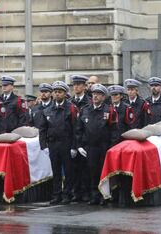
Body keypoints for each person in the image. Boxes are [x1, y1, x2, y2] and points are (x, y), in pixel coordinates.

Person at [76, 84, 118, 205]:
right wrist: (79, 145)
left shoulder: (109, 110)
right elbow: (79, 129)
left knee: (102, 172)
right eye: (94, 93)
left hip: (104, 146)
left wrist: (111, 147)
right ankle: (94, 195)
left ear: (103, 97)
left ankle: (103, 196)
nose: (95, 96)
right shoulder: (85, 110)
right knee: (91, 172)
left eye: (98, 94)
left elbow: (114, 131)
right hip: (90, 147)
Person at [39, 81, 78, 205]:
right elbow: (43, 129)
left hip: (66, 144)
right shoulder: (47, 109)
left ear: (65, 93)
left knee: (68, 171)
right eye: (55, 92)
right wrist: (43, 145)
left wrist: (74, 147)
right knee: (55, 171)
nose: (57, 94)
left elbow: (76, 129)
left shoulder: (71, 108)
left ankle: (67, 194)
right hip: (53, 144)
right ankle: (56, 195)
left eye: (59, 92)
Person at [70, 75, 91, 203]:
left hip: (84, 140)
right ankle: (76, 192)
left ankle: (86, 193)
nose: (76, 87)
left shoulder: (89, 101)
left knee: (85, 169)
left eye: (79, 84)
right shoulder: (70, 101)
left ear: (84, 86)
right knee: (74, 169)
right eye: (74, 85)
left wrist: (81, 143)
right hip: (71, 139)